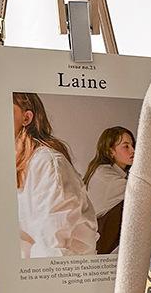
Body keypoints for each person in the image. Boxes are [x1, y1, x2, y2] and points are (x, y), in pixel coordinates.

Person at [13, 92, 98, 259]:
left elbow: (53, 247)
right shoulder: (12, 164)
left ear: (26, 118)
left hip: (61, 271)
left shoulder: (47, 163)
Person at [83, 126, 135, 253]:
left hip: (99, 237)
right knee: (134, 203)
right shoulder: (104, 174)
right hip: (98, 240)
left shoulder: (114, 173)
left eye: (133, 145)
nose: (133, 150)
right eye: (126, 146)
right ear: (111, 151)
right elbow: (140, 192)